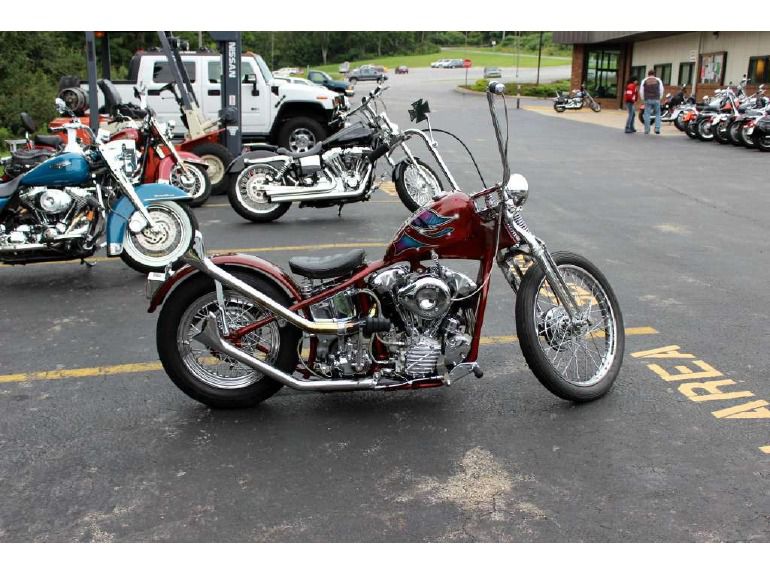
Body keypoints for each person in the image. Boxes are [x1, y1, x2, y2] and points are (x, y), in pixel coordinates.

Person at [641, 69, 664, 135]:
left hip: (647, 99)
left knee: (647, 114)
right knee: (657, 114)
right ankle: (657, 129)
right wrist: (660, 98)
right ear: (654, 74)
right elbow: (661, 90)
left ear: (648, 74)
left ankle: (647, 130)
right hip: (656, 99)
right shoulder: (658, 80)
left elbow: (641, 91)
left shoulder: (644, 80)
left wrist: (643, 98)